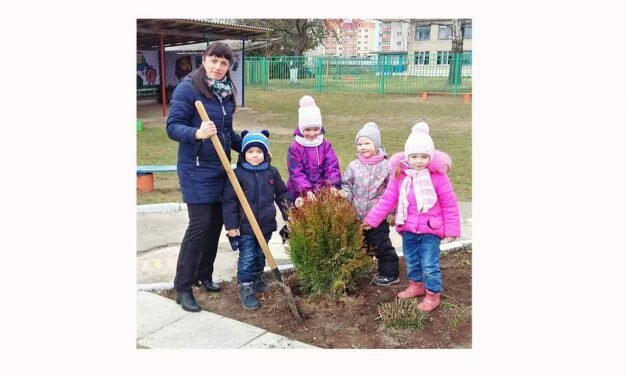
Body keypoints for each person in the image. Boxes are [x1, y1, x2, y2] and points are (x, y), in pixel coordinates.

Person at [166, 42, 241, 312]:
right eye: (214, 60)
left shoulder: (226, 92)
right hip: (195, 168)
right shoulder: (188, 89)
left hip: (220, 167)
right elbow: (173, 127)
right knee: (199, 225)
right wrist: (196, 133)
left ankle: (203, 274)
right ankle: (182, 287)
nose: (218, 67)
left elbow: (226, 133)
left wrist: (252, 146)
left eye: (224, 63)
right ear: (204, 59)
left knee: (216, 223)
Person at [364, 120, 460, 312]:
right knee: (411, 259)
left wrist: (452, 229)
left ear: (430, 157)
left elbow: (450, 205)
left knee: (429, 263)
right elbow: (387, 200)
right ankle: (416, 285)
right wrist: (371, 220)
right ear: (407, 156)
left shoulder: (439, 177)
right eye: (414, 156)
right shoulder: (400, 175)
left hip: (430, 230)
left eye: (424, 156)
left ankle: (433, 295)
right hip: (408, 227)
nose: (418, 161)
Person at [222, 130, 289, 310]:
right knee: (248, 256)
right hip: (245, 227)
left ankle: (258, 276)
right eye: (250, 151)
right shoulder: (237, 174)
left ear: (266, 153)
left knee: (261, 253)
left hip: (266, 224)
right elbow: (229, 201)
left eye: (259, 151)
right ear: (243, 153)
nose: (255, 155)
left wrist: (288, 214)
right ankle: (245, 285)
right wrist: (231, 226)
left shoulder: (271, 172)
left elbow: (282, 194)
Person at [341, 122, 400, 286]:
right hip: (357, 215)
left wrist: (393, 212)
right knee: (361, 244)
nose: (362, 147)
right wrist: (344, 197)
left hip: (378, 217)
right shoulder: (354, 166)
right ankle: (364, 268)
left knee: (381, 244)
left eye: (367, 143)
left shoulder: (386, 166)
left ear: (377, 144)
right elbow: (347, 185)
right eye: (359, 144)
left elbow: (392, 191)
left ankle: (390, 273)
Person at [286, 95, 341, 204]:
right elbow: (296, 172)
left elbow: (331, 166)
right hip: (299, 192)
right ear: (301, 129)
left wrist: (332, 185)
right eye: (307, 130)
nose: (312, 133)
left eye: (316, 129)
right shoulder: (295, 148)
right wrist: (305, 190)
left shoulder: (325, 145)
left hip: (322, 191)